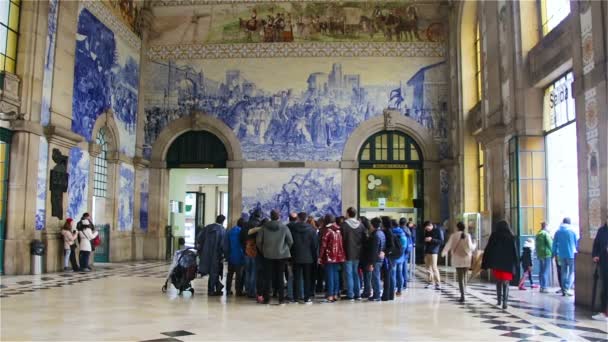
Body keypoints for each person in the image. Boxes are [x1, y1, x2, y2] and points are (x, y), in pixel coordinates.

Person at [257, 210, 293, 304]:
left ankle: (267, 299)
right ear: (279, 217)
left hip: (268, 255)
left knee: (267, 277)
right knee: (280, 277)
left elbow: (259, 241)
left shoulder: (264, 227)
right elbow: (290, 241)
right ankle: (281, 299)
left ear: (270, 216)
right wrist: (284, 249)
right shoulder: (284, 227)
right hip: (281, 255)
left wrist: (263, 250)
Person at [482, 220, 519, 309]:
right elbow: (515, 251)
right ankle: (505, 302)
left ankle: (499, 300)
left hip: (497, 263)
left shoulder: (494, 235)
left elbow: (488, 249)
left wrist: (486, 262)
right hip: (508, 264)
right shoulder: (511, 236)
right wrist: (516, 262)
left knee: (498, 281)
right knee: (506, 282)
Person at [441, 222, 475, 302]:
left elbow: (448, 245)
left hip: (457, 259)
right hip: (466, 258)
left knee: (460, 278)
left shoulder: (453, 235)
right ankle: (464, 292)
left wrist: (444, 253)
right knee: (465, 277)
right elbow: (471, 247)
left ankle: (462, 295)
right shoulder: (468, 235)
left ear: (457, 227)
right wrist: (475, 244)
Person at [290, 212, 318, 303]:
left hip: (295, 255)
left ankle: (296, 297)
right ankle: (307, 297)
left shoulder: (292, 228)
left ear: (298, 218)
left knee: (296, 277)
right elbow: (314, 245)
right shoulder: (312, 230)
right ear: (306, 219)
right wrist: (314, 256)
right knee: (307, 278)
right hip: (308, 256)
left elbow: (290, 243)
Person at [197, 215, 226, 296]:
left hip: (205, 254)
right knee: (214, 272)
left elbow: (199, 238)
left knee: (210, 271)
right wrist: (224, 255)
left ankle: (218, 287)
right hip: (216, 255)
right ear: (223, 221)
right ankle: (211, 290)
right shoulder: (222, 230)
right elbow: (223, 245)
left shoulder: (207, 228)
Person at [318, 214, 345, 302]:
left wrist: (320, 256)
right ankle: (336, 294)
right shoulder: (338, 230)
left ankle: (330, 295)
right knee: (336, 275)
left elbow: (323, 245)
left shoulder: (327, 231)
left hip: (329, 257)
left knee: (329, 276)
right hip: (338, 257)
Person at [341, 207, 365, 301]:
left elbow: (341, 240)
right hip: (358, 253)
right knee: (356, 273)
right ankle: (357, 294)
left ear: (347, 214)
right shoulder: (361, 225)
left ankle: (350, 294)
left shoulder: (344, 225)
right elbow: (364, 239)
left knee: (349, 274)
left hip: (347, 252)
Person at [552, 217, 578, 296]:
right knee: (571, 272)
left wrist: (554, 253)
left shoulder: (558, 232)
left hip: (561, 255)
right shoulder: (572, 231)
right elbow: (576, 243)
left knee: (563, 272)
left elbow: (554, 244)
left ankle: (563, 289)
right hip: (571, 255)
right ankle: (567, 288)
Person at [242, 209, 262, 298]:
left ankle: (247, 289)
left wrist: (244, 247)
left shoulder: (245, 224)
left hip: (246, 250)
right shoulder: (259, 225)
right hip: (255, 251)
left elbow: (241, 237)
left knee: (247, 271)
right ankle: (252, 291)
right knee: (254, 272)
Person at [224, 218, 246, 296]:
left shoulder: (230, 231)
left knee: (230, 274)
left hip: (231, 256)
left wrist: (227, 255)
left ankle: (228, 290)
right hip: (240, 257)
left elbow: (226, 245)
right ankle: (238, 290)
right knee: (239, 275)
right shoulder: (242, 232)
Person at [591, 221, 608, 321]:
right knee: (605, 287)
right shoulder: (602, 231)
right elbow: (596, 245)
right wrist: (595, 255)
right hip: (605, 263)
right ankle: (604, 312)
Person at [423, 221, 443, 289]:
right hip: (427, 250)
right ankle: (430, 282)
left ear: (430, 225)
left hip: (434, 251)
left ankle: (438, 283)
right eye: (426, 229)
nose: (427, 230)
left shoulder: (438, 230)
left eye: (427, 228)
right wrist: (425, 240)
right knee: (428, 268)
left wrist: (432, 239)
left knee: (434, 267)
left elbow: (441, 241)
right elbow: (425, 239)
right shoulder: (427, 231)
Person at [391, 219, 407, 296]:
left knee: (393, 274)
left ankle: (393, 290)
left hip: (393, 257)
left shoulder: (392, 233)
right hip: (401, 257)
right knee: (400, 273)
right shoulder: (403, 233)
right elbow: (405, 246)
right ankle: (399, 290)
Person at [535, 222, 553, 293]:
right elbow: (550, 244)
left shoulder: (538, 234)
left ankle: (541, 286)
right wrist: (553, 252)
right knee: (545, 271)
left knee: (541, 271)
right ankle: (544, 287)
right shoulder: (546, 234)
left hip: (540, 254)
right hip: (546, 254)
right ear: (546, 226)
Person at [286, 212, 298, 302]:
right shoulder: (298, 227)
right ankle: (297, 294)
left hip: (288, 255)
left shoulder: (286, 227)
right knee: (298, 275)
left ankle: (290, 295)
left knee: (290, 275)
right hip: (298, 255)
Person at [399, 218, 413, 289]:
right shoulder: (408, 230)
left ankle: (400, 284)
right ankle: (405, 284)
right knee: (404, 267)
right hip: (406, 251)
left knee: (399, 268)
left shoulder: (399, 230)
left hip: (401, 250)